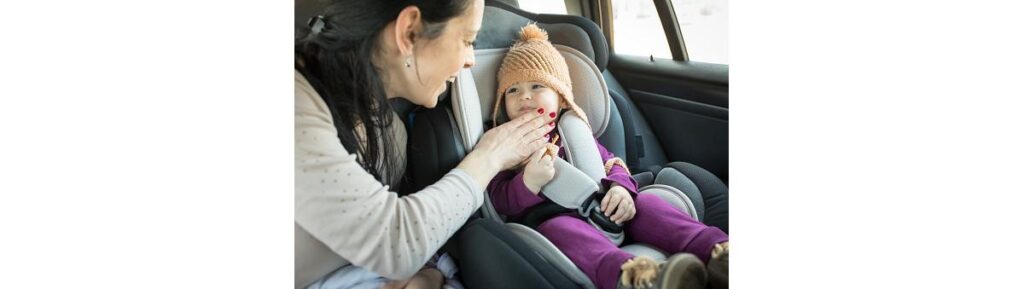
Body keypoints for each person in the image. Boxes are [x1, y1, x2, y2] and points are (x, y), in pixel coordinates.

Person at [294, 1, 568, 289]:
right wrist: (489, 156)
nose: (470, 60)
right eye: (466, 41)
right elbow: (394, 243)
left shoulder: (390, 131)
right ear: (409, 33)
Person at [485, 24, 730, 289]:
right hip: (551, 220)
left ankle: (718, 253)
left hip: (607, 210)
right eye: (512, 90)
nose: (525, 96)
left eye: (537, 85)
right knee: (563, 230)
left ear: (562, 98)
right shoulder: (505, 143)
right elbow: (497, 200)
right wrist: (527, 183)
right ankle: (638, 277)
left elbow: (612, 163)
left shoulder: (574, 132)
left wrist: (621, 189)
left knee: (647, 203)